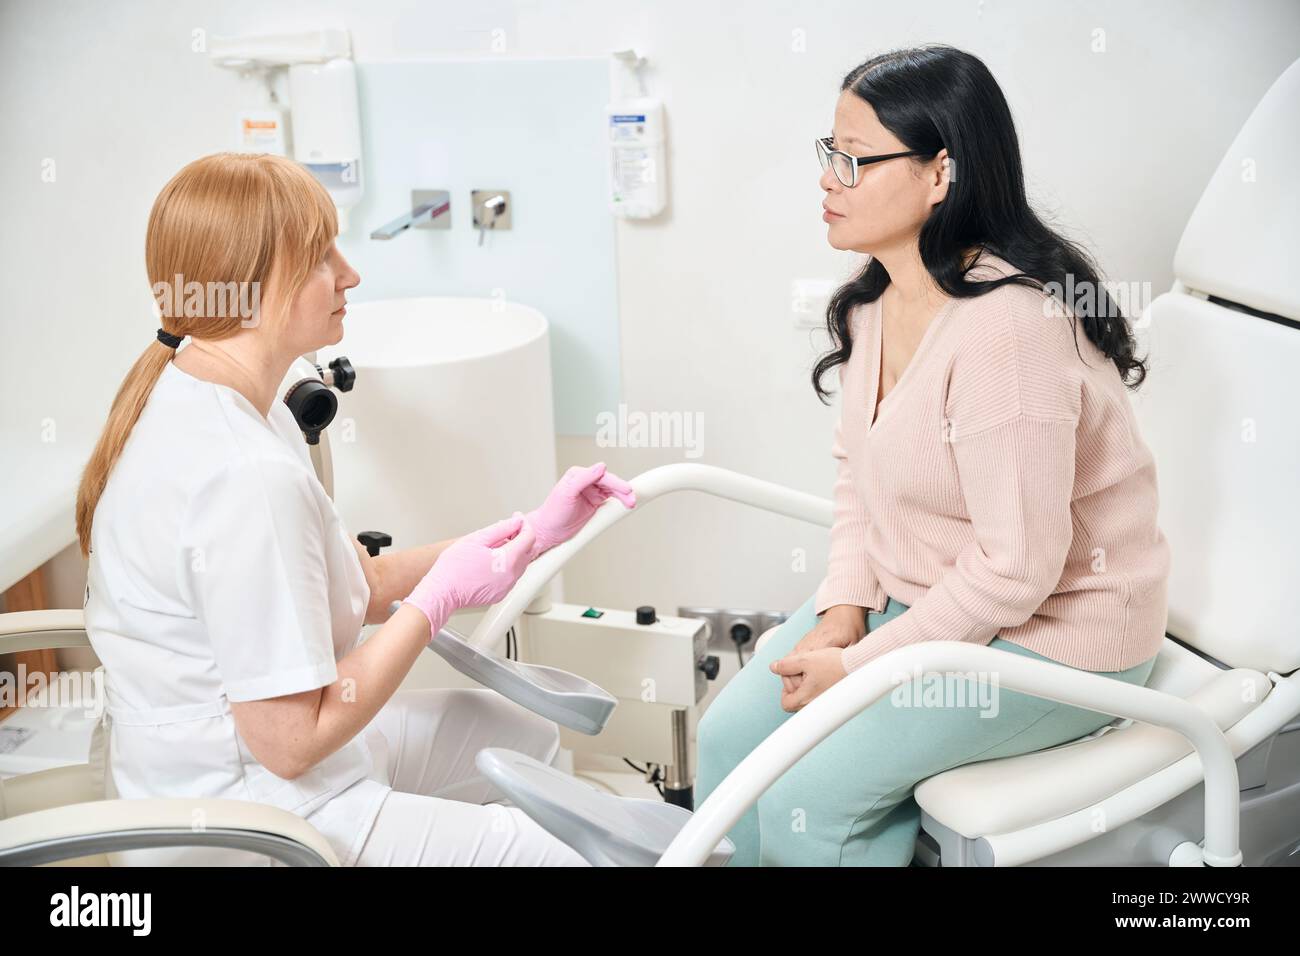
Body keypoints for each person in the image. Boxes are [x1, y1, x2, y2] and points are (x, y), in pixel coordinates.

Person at [77, 151, 635, 866]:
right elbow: (290, 743)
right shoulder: (241, 475)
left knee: (515, 733)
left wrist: (532, 533)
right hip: (253, 818)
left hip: (269, 770)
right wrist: (434, 602)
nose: (350, 274)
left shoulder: (233, 401)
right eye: (320, 257)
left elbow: (357, 586)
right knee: (566, 857)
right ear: (250, 289)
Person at [696, 45, 1169, 867]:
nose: (827, 180)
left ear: (939, 173)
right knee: (728, 739)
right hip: (923, 606)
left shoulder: (1007, 332)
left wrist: (859, 665)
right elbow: (859, 483)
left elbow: (1019, 569)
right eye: (828, 154)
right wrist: (843, 608)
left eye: (854, 161)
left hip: (1055, 638)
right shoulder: (877, 304)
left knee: (813, 791)